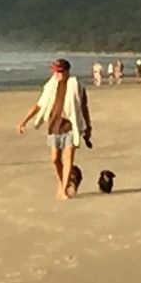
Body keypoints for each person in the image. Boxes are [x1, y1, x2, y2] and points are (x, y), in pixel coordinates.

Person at [16, 57, 92, 200]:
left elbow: (83, 108)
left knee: (68, 157)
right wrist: (23, 121)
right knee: (54, 159)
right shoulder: (51, 86)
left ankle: (64, 190)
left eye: (60, 71)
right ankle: (62, 181)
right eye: (55, 71)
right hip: (54, 126)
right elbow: (39, 105)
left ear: (67, 71)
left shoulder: (76, 86)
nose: (57, 74)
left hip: (70, 126)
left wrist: (88, 127)